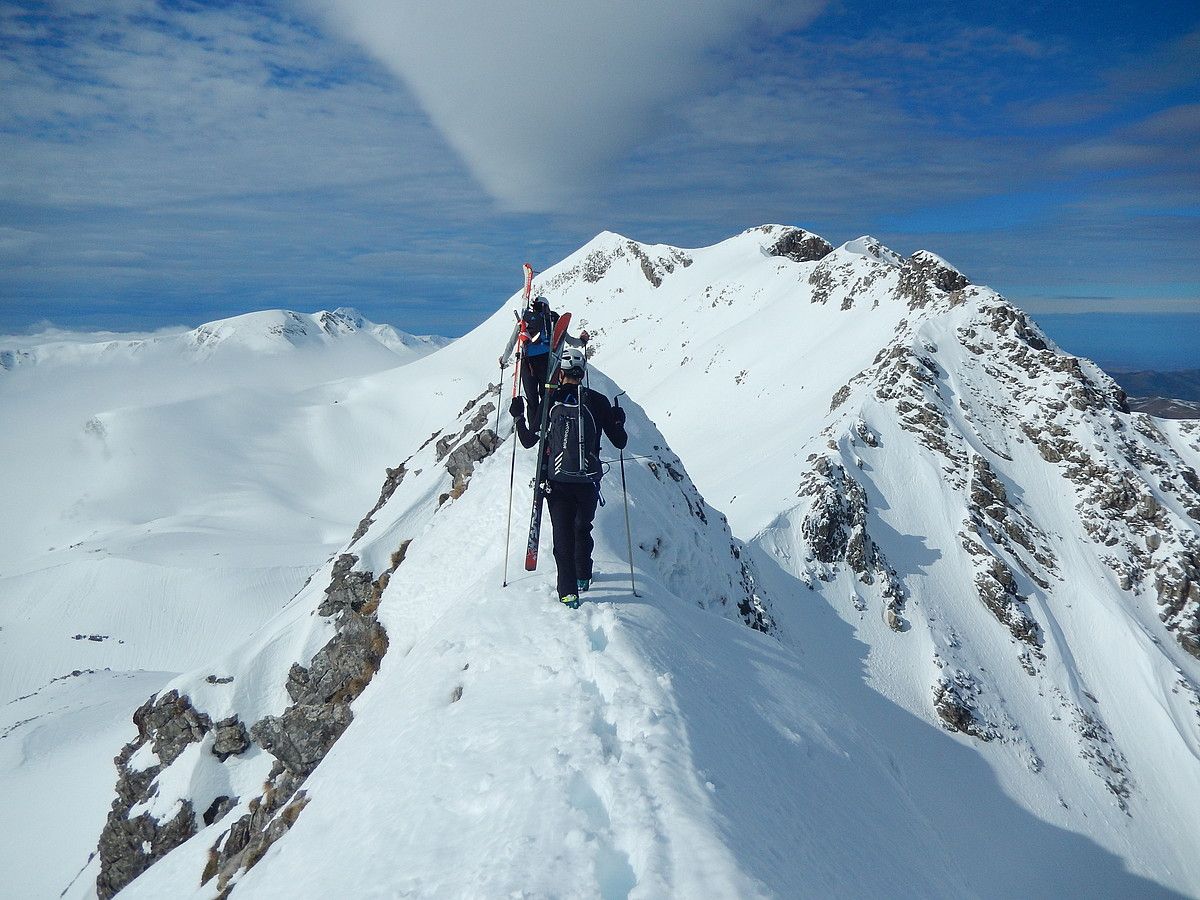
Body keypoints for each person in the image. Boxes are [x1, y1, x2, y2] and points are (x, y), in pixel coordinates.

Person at [510, 346, 627, 609]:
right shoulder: (598, 401)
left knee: (562, 536)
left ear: (559, 374)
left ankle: (568, 593)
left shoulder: (550, 401)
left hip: (558, 481)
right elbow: (619, 442)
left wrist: (518, 415)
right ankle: (583, 576)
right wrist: (618, 420)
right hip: (588, 482)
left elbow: (529, 441)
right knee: (582, 528)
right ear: (583, 372)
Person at [499, 295, 587, 424]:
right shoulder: (552, 319)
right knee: (546, 396)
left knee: (531, 399)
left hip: (527, 363)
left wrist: (503, 360)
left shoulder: (525, 320)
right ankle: (549, 425)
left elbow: (511, 343)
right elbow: (568, 340)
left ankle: (534, 429)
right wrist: (582, 341)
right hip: (546, 362)